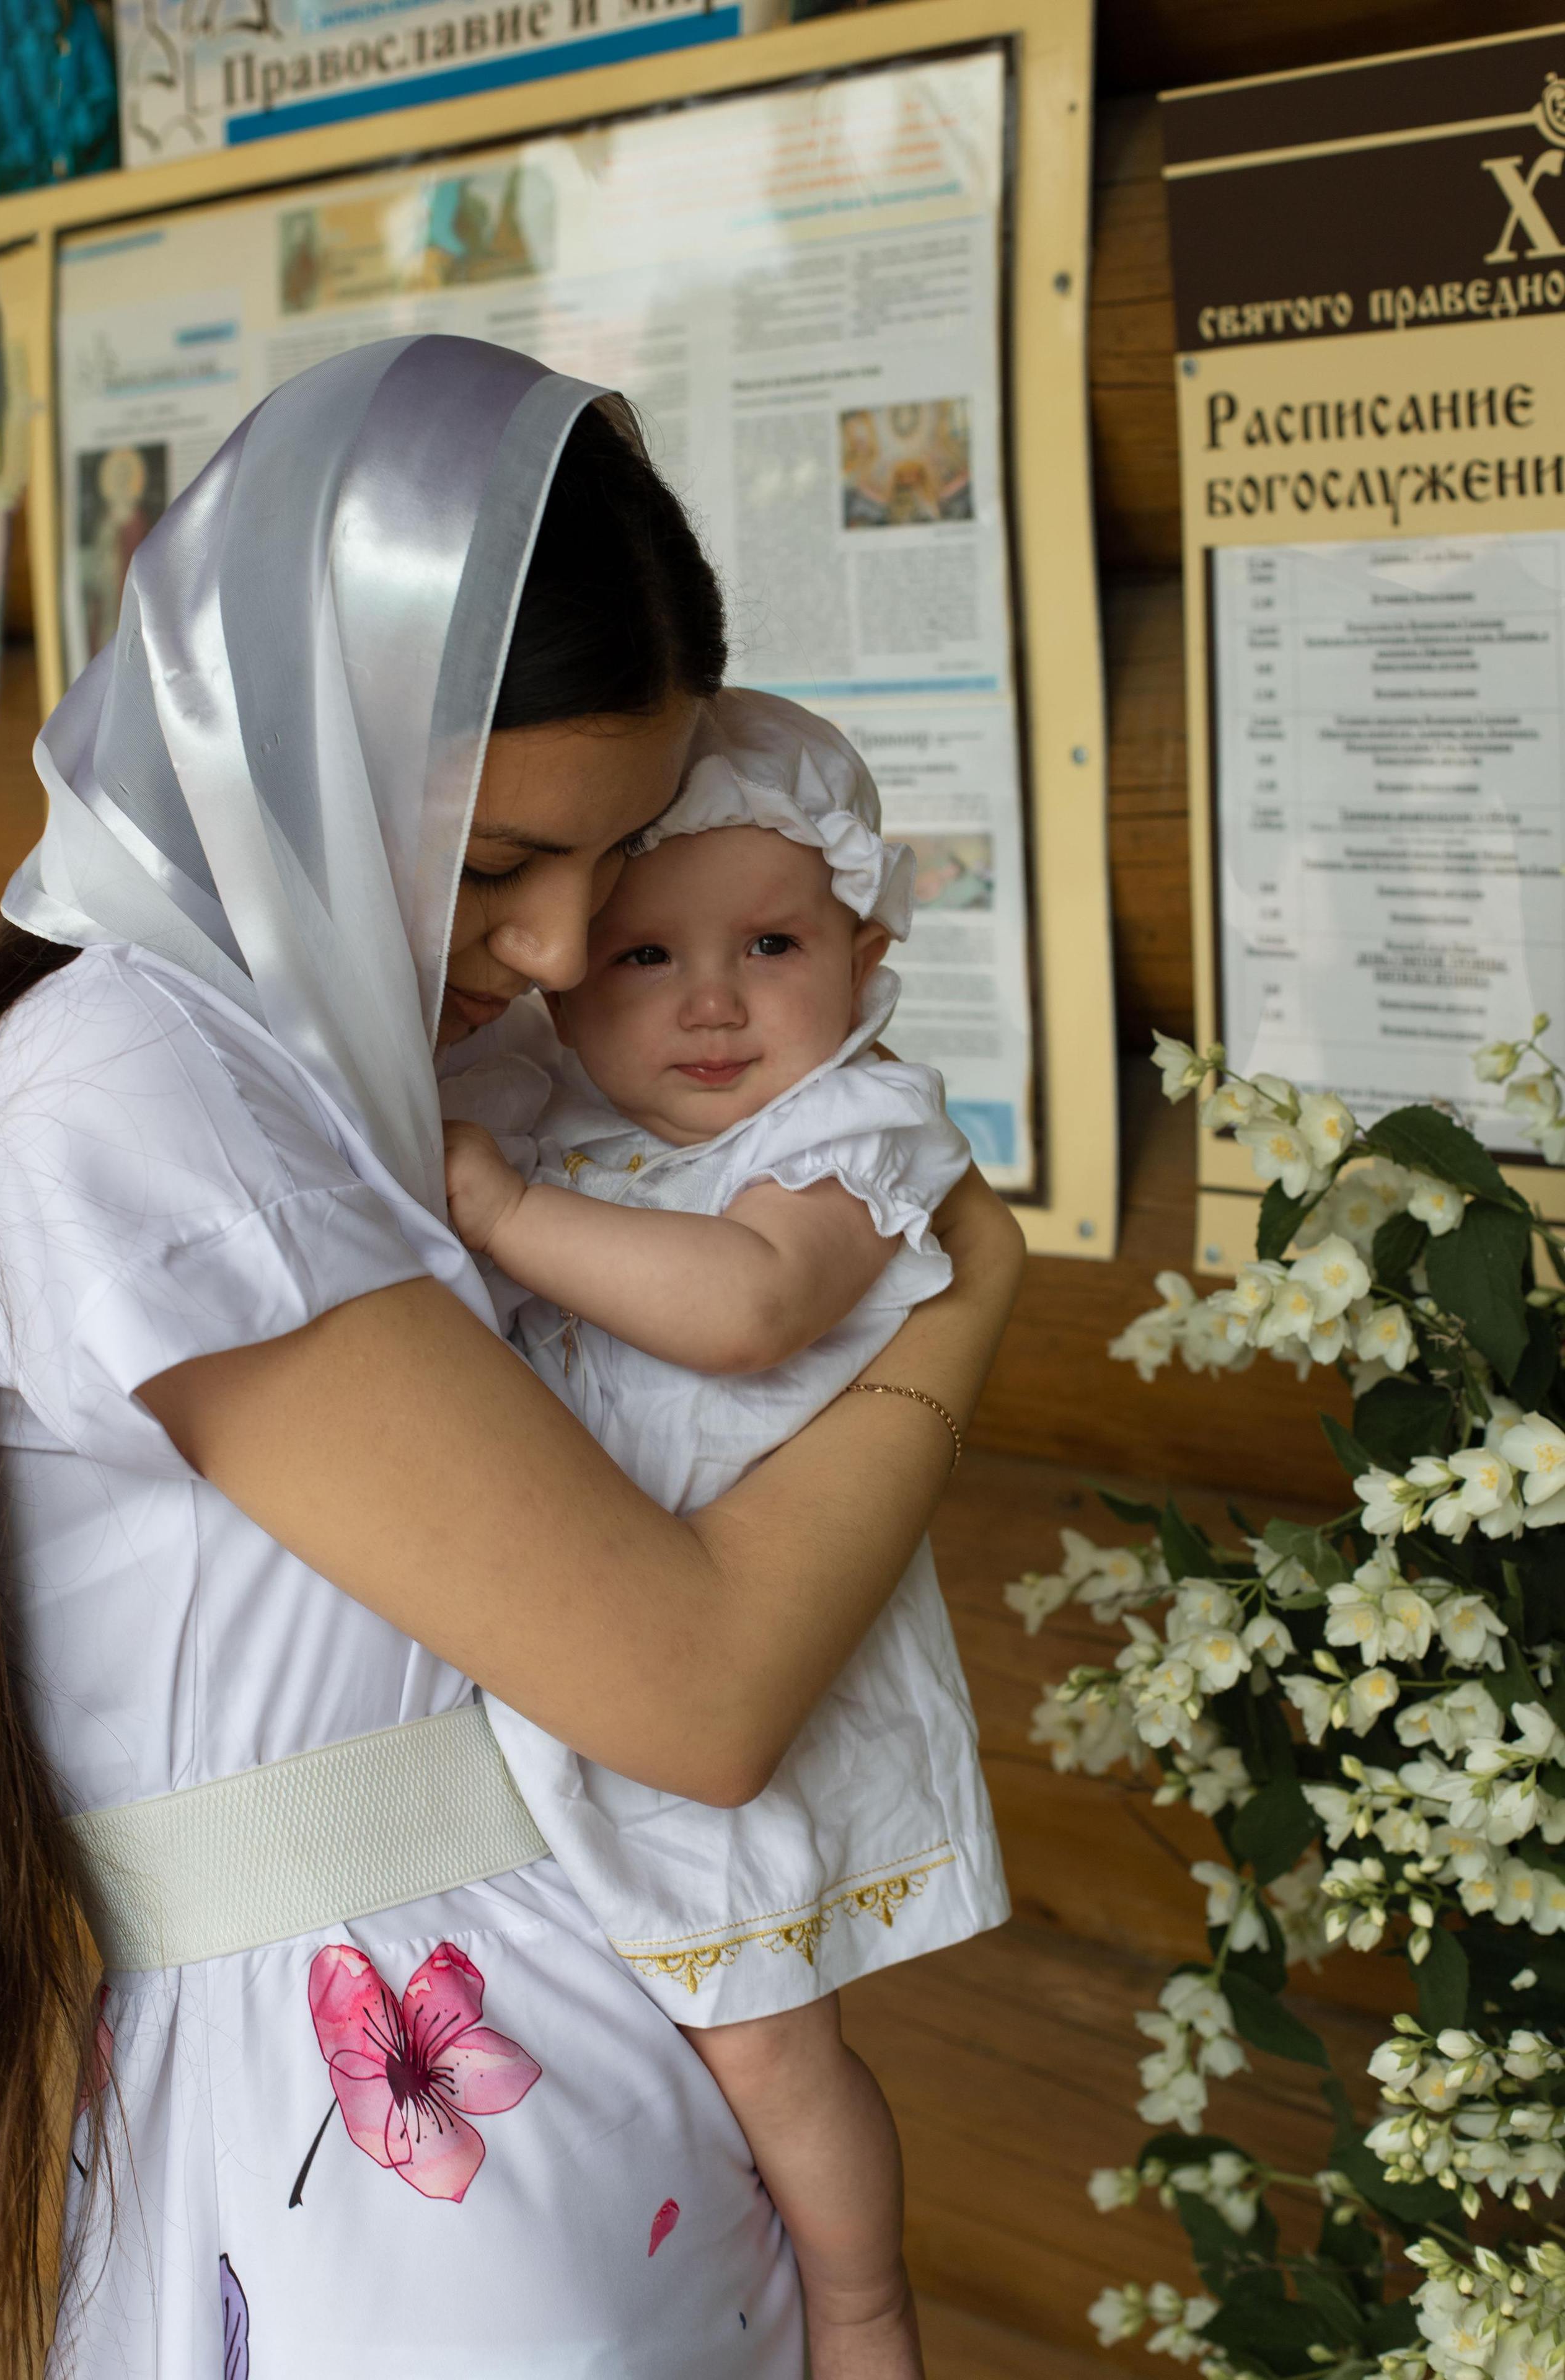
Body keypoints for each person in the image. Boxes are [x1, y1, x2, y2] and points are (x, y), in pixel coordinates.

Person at [0, 332, 1026, 2380]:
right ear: (265, 740)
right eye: (495, 868)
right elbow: (692, 1688)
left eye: (606, 859)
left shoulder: (364, 1067)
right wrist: (965, 1305)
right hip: (383, 2188)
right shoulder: (143, 1099)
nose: (553, 953)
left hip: (548, 2097)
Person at [443, 688, 1010, 2379]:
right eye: (642, 959)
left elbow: (750, 1310)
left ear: (864, 943)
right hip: (588, 1659)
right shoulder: (553, 1109)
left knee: (764, 2039)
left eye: (771, 943)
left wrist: (504, 1210)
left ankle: (860, 2304)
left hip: (760, 1671)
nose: (709, 1000)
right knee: (625, 2029)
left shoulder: (846, 1136)